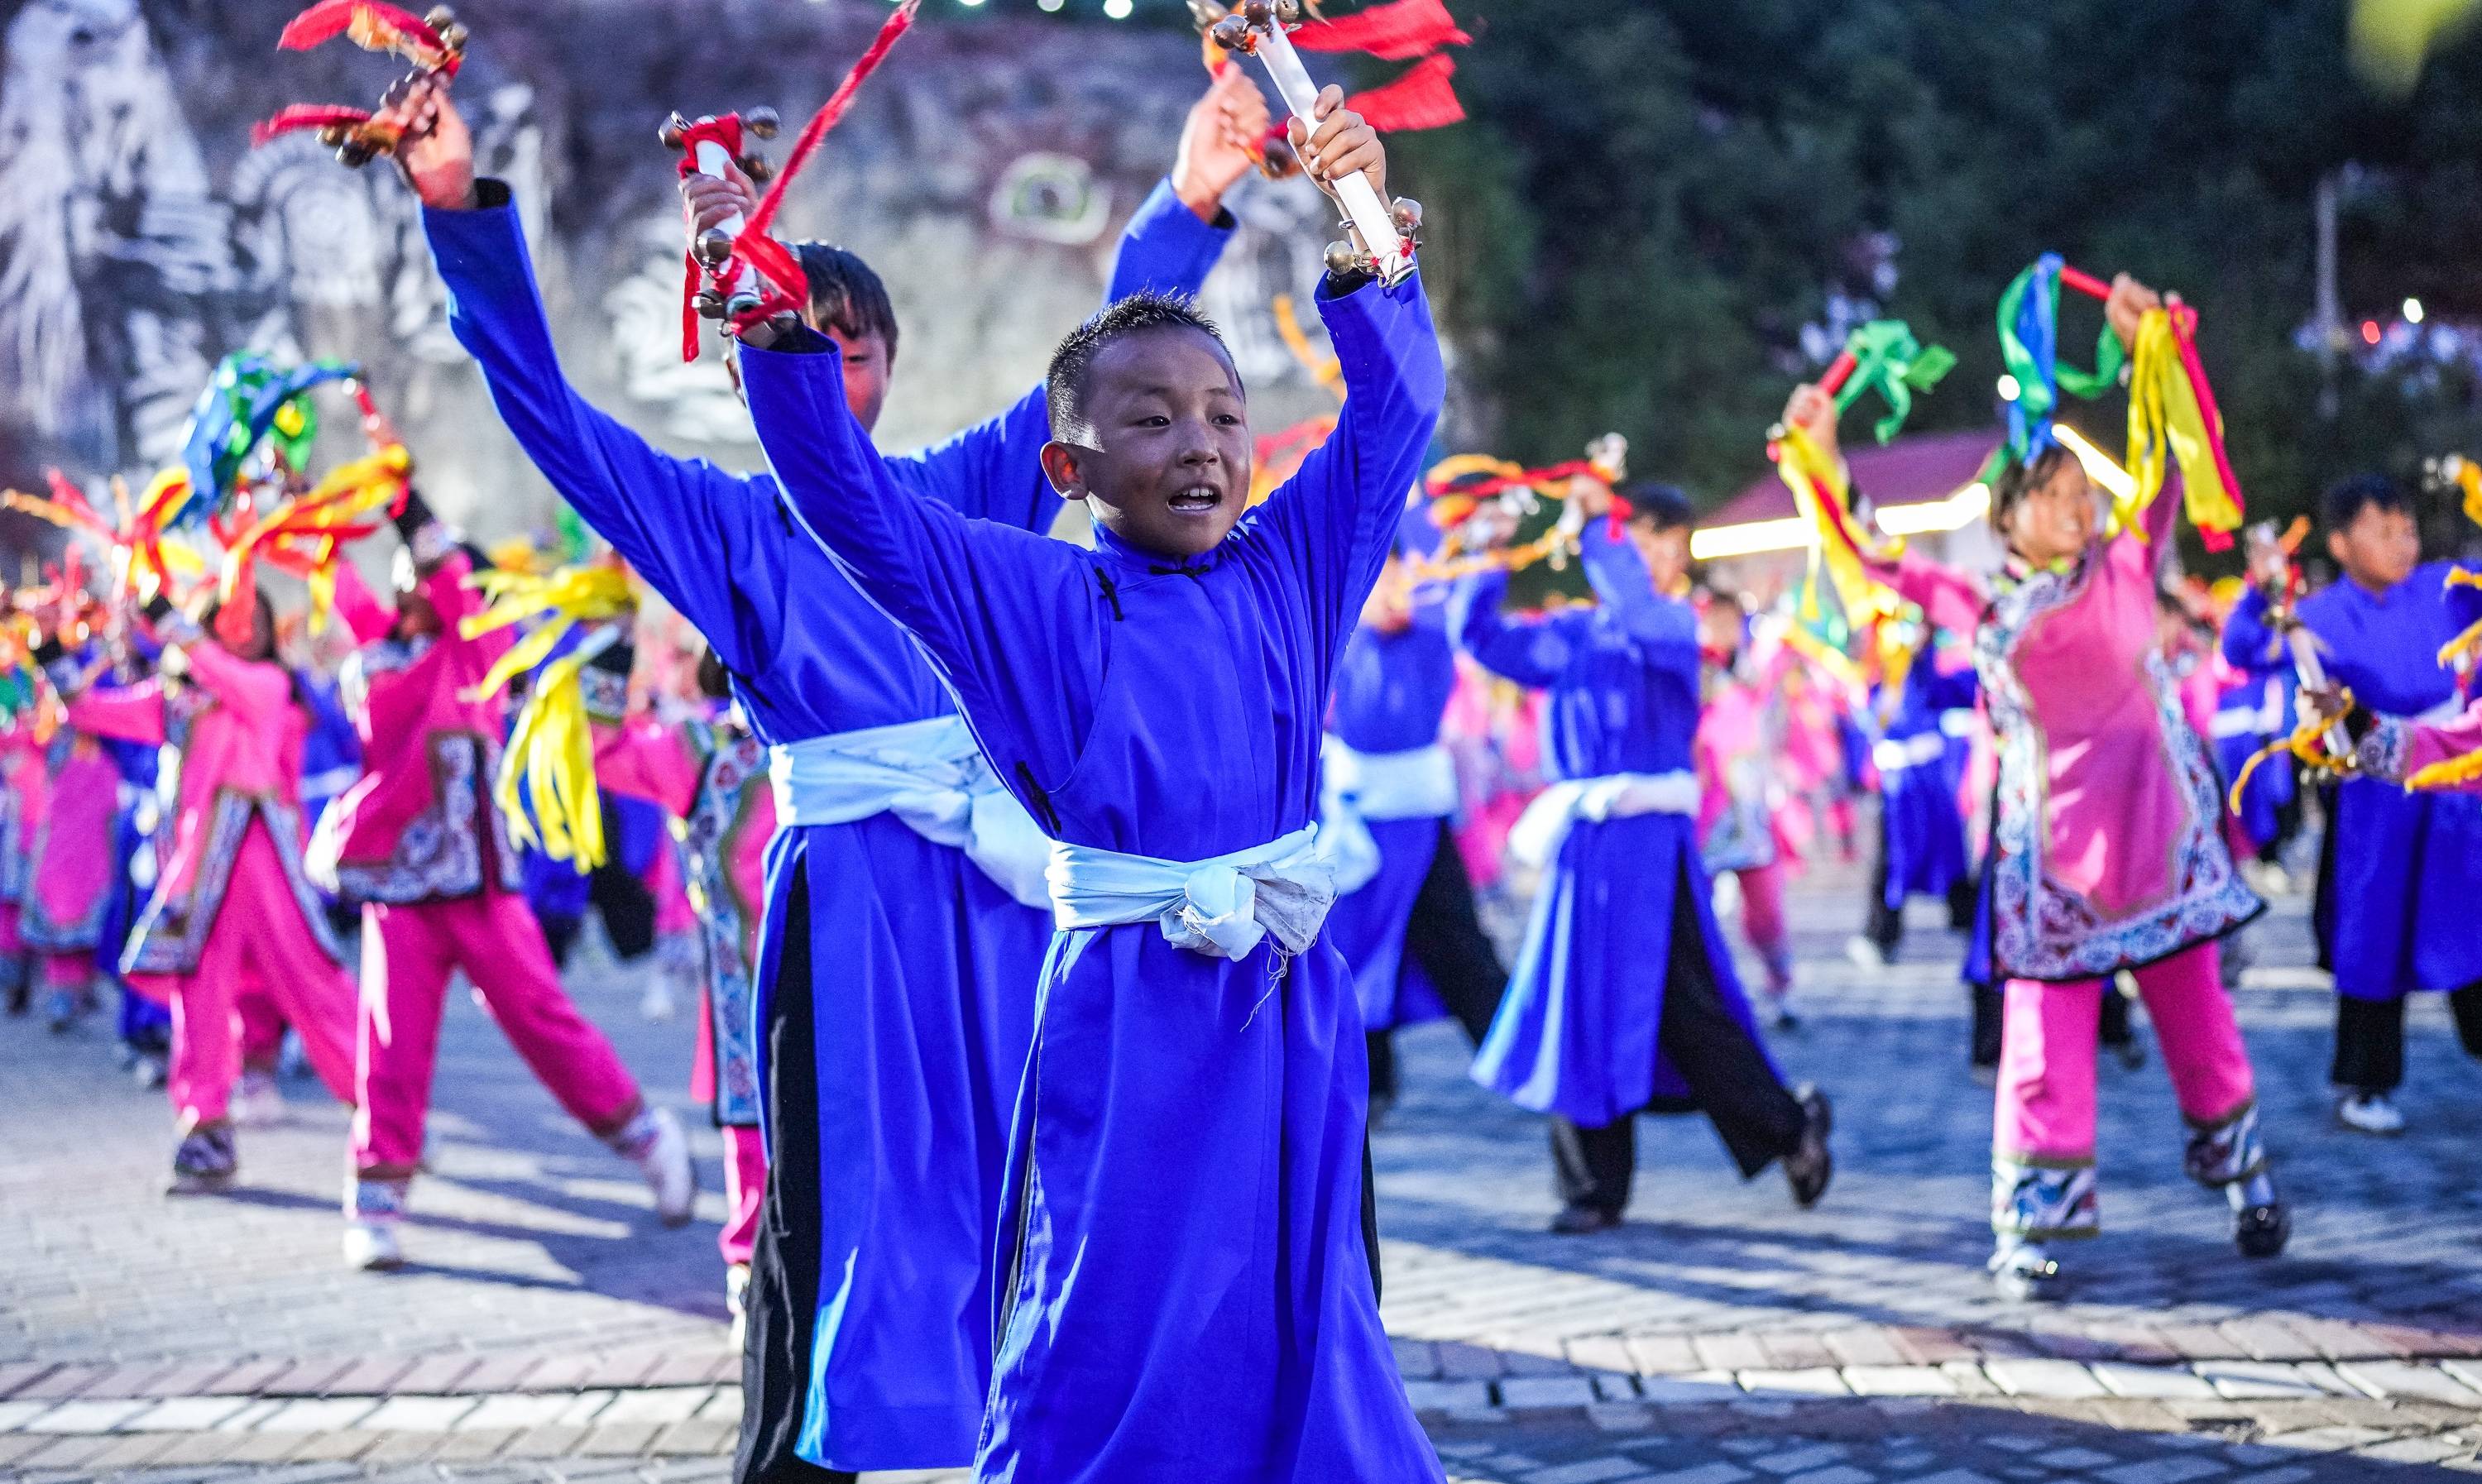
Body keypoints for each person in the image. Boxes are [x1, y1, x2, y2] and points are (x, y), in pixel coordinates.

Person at [368, 59, 1255, 1482]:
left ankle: (1031, 1435)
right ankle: (797, 1463)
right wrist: (457, 205)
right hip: (851, 915)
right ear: (746, 358)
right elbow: (543, 407)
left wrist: (1193, 195)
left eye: (854, 342)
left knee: (1025, 1187)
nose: (832, 367)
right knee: (832, 1213)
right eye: (800, 337)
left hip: (1000, 892)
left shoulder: (963, 492)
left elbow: (1102, 364)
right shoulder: (725, 529)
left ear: (888, 363)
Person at [735, 86, 1446, 1483]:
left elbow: (1397, 413)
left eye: (1226, 414)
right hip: (1130, 1015)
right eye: (1152, 419)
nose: (1200, 443)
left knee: (1314, 1308)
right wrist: (773, 331)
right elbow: (853, 505)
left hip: (1293, 1000)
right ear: (1069, 467)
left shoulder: (1293, 568)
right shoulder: (1032, 598)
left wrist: (1367, 238)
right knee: (1106, 1325)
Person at [1789, 270, 2284, 1300]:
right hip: (2053, 856)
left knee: (2200, 1021)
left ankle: (2246, 1183)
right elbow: (1872, 554)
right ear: (2009, 517)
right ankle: (2031, 1224)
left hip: (2160, 838)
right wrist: (1821, 454)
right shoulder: (1977, 601)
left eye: (2083, 492)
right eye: (2055, 493)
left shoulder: (2130, 557)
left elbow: (2169, 447)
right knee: (2045, 1042)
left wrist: (2158, 346)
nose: (2081, 503)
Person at [311, 496, 694, 1271]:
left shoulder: (481, 652)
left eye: (434, 572)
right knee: (390, 1046)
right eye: (410, 573)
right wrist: (304, 507)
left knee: (546, 1024)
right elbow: (341, 582)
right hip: (402, 887)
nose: (419, 582)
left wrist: (410, 509)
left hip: (482, 884)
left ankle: (648, 1139)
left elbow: (458, 590)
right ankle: (376, 1199)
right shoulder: (375, 658)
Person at [1451, 481, 1833, 1235]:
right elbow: (1482, 637)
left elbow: (1632, 605)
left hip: (1651, 853)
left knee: (1692, 1011)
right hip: (1585, 850)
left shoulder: (1674, 628)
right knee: (1581, 1005)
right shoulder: (1575, 633)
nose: (1662, 555)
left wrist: (1597, 527)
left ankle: (1788, 1129)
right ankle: (1594, 1186)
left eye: (1671, 542)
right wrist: (1490, 551)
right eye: (1648, 537)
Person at [41, 590, 362, 1192]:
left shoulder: (268, 686)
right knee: (200, 1000)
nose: (244, 630)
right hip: (197, 870)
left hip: (265, 859)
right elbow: (88, 710)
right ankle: (204, 1134)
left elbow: (226, 675)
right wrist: (50, 649)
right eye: (231, 620)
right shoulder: (179, 701)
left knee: (315, 986)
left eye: (256, 620)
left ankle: (385, 1115)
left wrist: (166, 620)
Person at [2223, 476, 2482, 1136]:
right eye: (2383, 529)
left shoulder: (2443, 586)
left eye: (2408, 528)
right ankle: (2367, 1082)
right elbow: (2243, 650)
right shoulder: (2322, 614)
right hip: (2376, 789)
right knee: (2376, 931)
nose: (2403, 540)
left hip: (2456, 780)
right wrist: (2261, 589)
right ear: (2339, 543)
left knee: (2470, 923)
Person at [1323, 525, 1507, 1120]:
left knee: (1461, 946)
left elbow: (1470, 606)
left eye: (1399, 576)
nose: (1392, 590)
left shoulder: (1431, 638)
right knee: (1352, 953)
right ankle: (1370, 1082)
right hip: (1357, 824)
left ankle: (1513, 1058)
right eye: (1378, 580)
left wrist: (1488, 549)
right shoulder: (1334, 638)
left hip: (1422, 821)